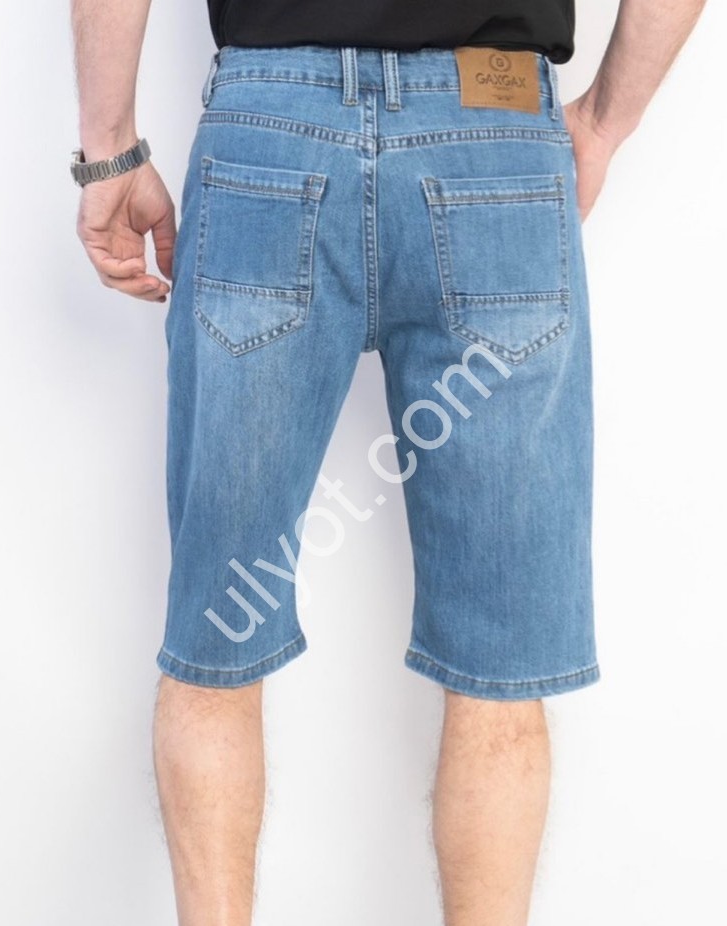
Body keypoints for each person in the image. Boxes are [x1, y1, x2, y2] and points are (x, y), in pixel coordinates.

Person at [70, 1, 706, 923]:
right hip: (494, 127)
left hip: (269, 130)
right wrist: (605, 121)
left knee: (217, 636)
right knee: (500, 664)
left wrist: (110, 151)